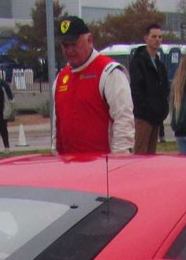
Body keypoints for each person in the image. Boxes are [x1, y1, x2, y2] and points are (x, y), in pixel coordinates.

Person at [52, 15, 134, 155]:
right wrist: (56, 156)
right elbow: (57, 126)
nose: (69, 50)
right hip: (69, 167)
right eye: (65, 45)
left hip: (101, 167)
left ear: (89, 40)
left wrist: (118, 162)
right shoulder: (61, 78)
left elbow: (123, 119)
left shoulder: (109, 72)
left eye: (74, 44)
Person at [128, 22, 170, 155]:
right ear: (146, 38)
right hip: (143, 117)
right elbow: (136, 89)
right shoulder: (138, 61)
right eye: (154, 36)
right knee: (140, 153)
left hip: (156, 118)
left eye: (160, 37)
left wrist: (163, 110)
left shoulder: (160, 64)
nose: (157, 40)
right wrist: (145, 107)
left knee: (151, 155)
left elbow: (164, 90)